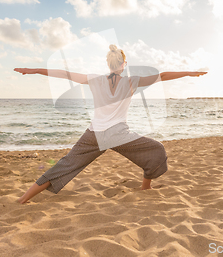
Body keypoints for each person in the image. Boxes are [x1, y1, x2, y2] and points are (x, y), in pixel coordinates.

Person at [14, 44, 207, 203]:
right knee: (156, 150)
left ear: (108, 64)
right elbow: (163, 75)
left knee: (65, 165)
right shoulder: (132, 81)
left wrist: (35, 70)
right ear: (123, 64)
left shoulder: (95, 80)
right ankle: (145, 186)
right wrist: (189, 73)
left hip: (94, 134)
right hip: (117, 135)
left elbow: (65, 74)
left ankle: (24, 199)